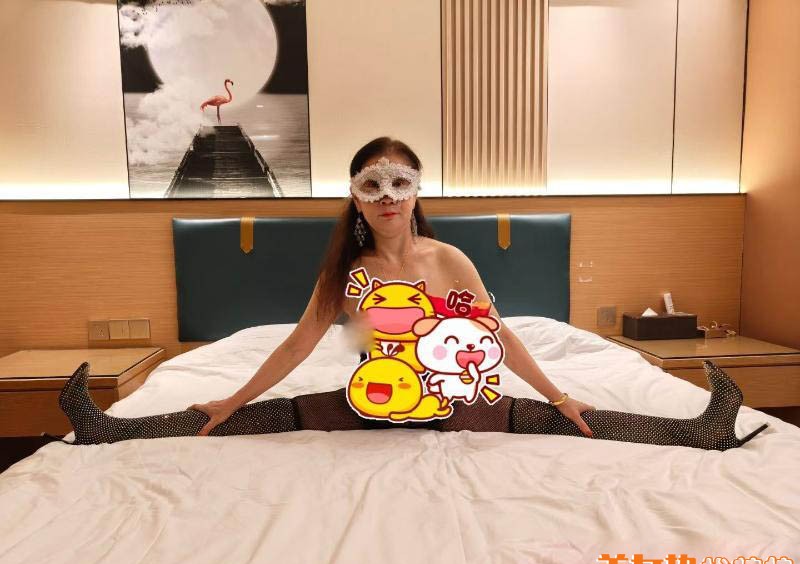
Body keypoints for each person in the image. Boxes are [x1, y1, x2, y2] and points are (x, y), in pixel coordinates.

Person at [54, 137, 768, 450]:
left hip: (457, 404)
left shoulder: (448, 259)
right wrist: (231, 397)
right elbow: (299, 343)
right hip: (374, 403)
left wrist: (558, 394)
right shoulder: (346, 272)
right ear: (356, 197)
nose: (388, 196)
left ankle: (701, 431)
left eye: (400, 183)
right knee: (252, 417)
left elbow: (499, 334)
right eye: (373, 185)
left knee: (567, 420)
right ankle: (108, 430)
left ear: (417, 191)